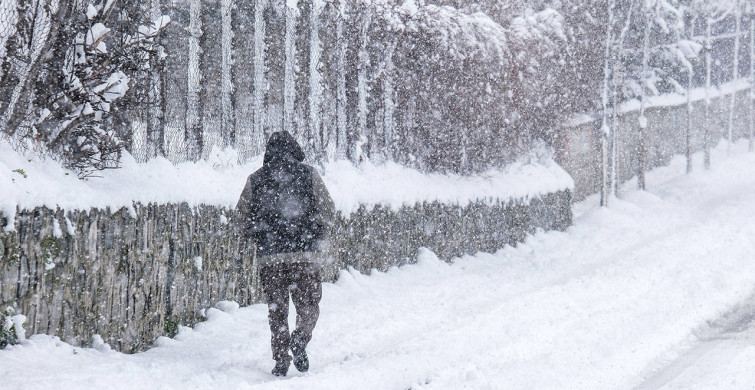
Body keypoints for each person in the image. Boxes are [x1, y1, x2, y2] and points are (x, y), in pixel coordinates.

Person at [236, 131, 335, 377]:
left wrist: (258, 233)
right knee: (309, 304)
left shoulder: (256, 179)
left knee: (277, 310)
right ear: (295, 149)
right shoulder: (309, 174)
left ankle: (281, 359)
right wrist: (317, 232)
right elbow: (328, 209)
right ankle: (300, 337)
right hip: (305, 255)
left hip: (271, 257)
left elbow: (240, 218)